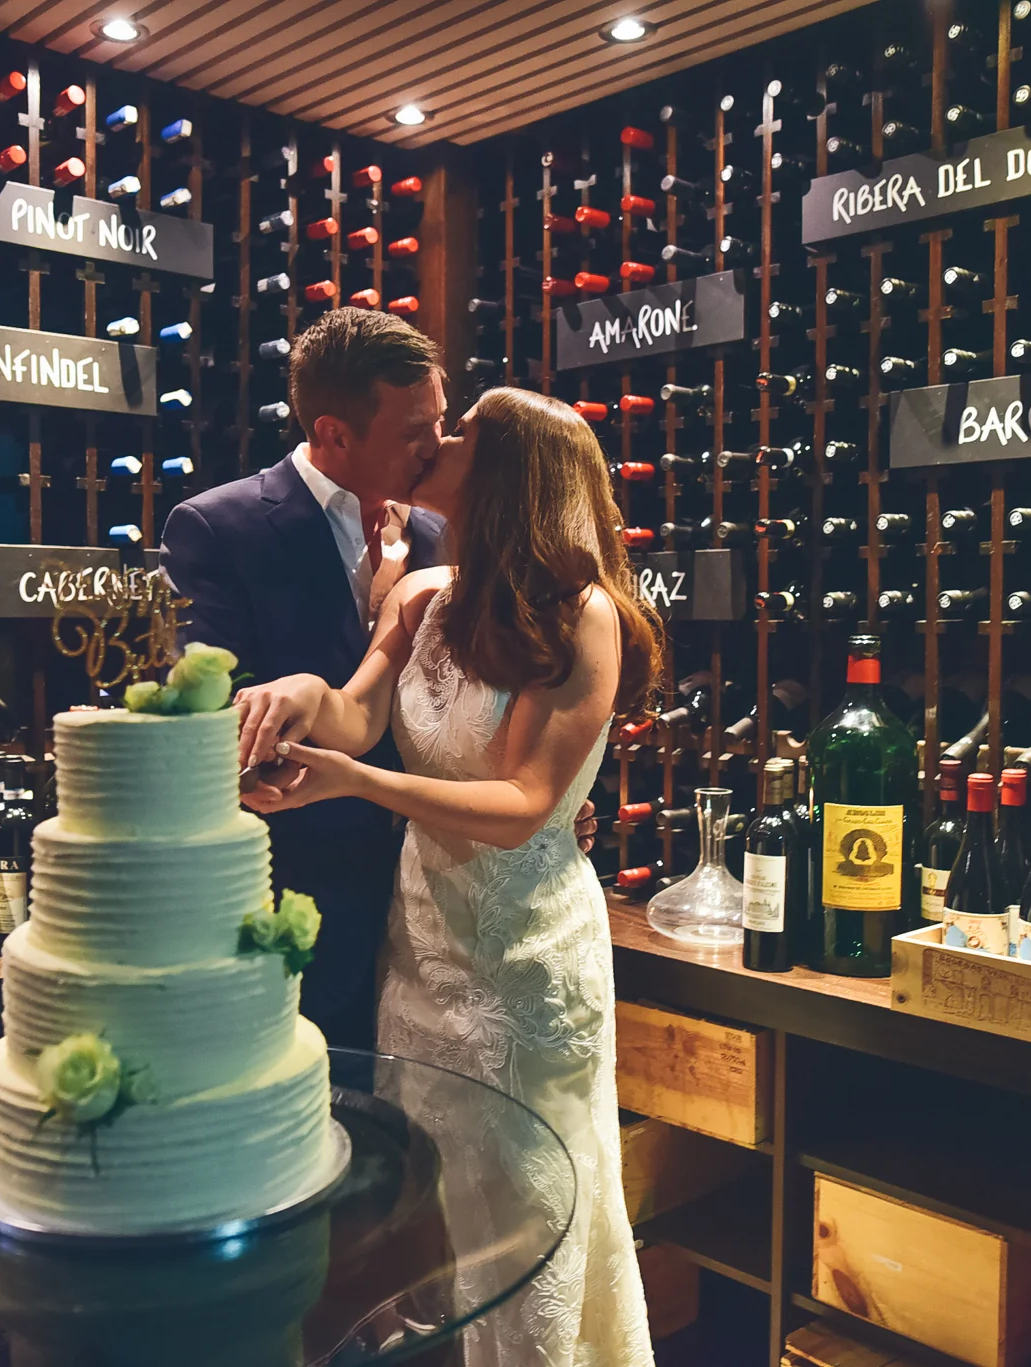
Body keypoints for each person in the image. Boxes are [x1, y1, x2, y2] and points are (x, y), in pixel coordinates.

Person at [236, 387, 661, 1367]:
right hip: (421, 943)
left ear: (512, 471)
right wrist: (309, 717)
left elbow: (522, 806)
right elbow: (353, 714)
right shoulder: (419, 594)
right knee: (432, 1205)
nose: (441, 438)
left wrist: (349, 782)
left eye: (464, 429)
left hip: (526, 956)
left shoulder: (584, 614)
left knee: (527, 1202)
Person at [160, 310, 595, 1051]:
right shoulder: (218, 526)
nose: (434, 446)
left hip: (459, 904)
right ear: (333, 433)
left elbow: (514, 707)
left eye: (445, 425)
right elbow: (218, 721)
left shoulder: (443, 536)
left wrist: (561, 802)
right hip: (298, 892)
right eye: (412, 432)